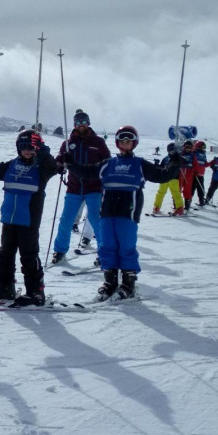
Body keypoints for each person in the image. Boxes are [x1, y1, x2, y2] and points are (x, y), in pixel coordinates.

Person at [65, 125, 181, 301]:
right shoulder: (108, 164)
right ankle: (110, 281)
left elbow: (163, 175)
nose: (125, 144)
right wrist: (70, 162)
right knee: (107, 246)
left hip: (128, 211)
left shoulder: (140, 164)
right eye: (122, 141)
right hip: (107, 211)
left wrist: (175, 159)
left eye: (129, 141)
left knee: (126, 246)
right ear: (118, 143)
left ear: (134, 143)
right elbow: (87, 172)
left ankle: (128, 283)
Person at [0, 129, 58, 307]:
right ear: (18, 148)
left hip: (28, 221)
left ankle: (36, 292)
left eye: (31, 147)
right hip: (9, 219)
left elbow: (53, 167)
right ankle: (6, 288)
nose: (28, 150)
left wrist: (43, 149)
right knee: (5, 254)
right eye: (23, 147)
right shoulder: (11, 165)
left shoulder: (41, 169)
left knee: (28, 256)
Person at [50, 109, 110, 264]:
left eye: (84, 122)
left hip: (94, 188)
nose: (81, 125)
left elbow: (107, 161)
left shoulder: (98, 142)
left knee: (96, 220)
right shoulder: (69, 143)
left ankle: (105, 252)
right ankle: (59, 250)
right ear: (74, 125)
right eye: (78, 122)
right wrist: (59, 165)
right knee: (66, 220)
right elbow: (60, 158)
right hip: (74, 187)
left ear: (88, 123)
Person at [151, 143, 185, 215]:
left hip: (174, 178)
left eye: (173, 149)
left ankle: (180, 208)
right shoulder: (165, 158)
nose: (171, 151)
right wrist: (156, 164)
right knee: (160, 192)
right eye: (170, 150)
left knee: (175, 193)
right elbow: (161, 167)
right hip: (164, 178)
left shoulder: (177, 157)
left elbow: (184, 162)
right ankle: (156, 207)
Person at [178, 140, 196, 210]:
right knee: (178, 188)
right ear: (184, 147)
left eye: (189, 147)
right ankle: (177, 204)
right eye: (186, 147)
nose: (188, 149)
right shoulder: (181, 154)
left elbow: (195, 164)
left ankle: (187, 204)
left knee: (187, 189)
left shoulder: (193, 155)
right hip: (181, 173)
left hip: (189, 174)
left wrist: (195, 170)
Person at [191, 140, 208, 206]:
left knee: (201, 188)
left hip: (201, 174)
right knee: (192, 188)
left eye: (204, 147)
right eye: (203, 147)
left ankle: (201, 201)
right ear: (198, 147)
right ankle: (188, 202)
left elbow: (205, 164)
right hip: (194, 174)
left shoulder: (204, 154)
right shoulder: (194, 153)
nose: (204, 149)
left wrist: (212, 162)